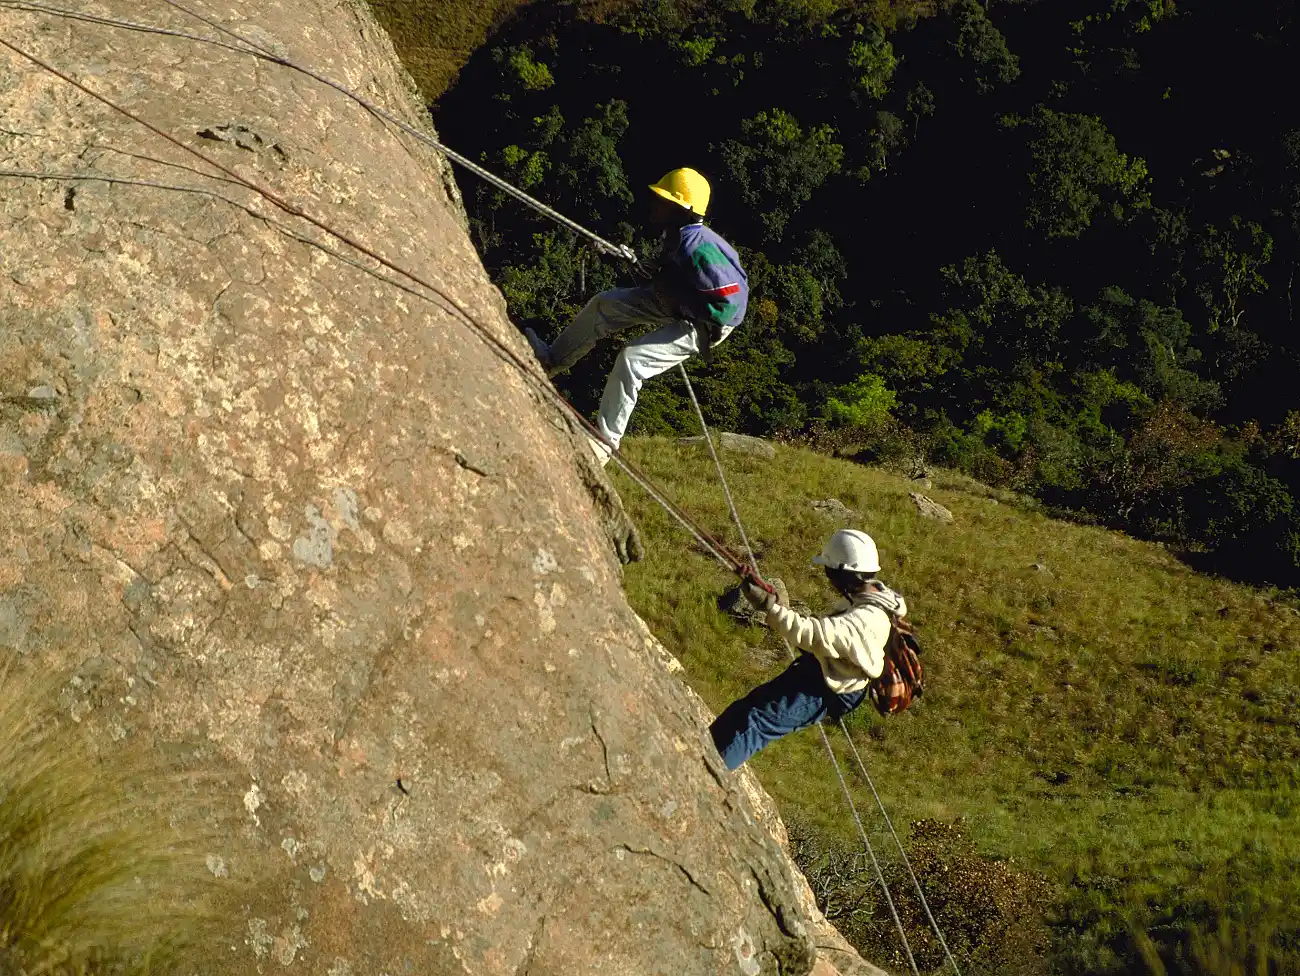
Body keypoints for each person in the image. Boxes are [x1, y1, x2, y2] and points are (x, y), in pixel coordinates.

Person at [525, 168, 748, 465]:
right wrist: (631, 264)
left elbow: (730, 302)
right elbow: (654, 275)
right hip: (676, 300)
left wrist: (689, 312)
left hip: (706, 323)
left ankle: (604, 444)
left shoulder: (697, 246)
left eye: (663, 200)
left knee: (633, 360)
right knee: (604, 305)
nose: (655, 204)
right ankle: (551, 360)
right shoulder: (676, 236)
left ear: (682, 209)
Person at [710, 529, 907, 770]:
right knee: (745, 711)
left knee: (755, 722)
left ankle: (708, 771)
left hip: (829, 687)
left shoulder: (865, 619)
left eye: (830, 572)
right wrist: (781, 608)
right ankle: (707, 748)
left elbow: (816, 635)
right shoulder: (869, 596)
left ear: (844, 574)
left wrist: (773, 610)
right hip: (825, 670)